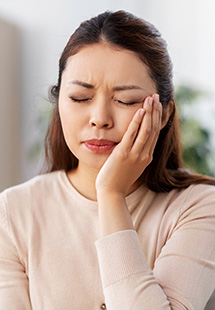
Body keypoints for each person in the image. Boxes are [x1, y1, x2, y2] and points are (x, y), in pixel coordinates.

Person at [0, 10, 215, 310]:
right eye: (79, 98)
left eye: (125, 101)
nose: (100, 119)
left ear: (164, 112)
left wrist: (111, 194)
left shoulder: (199, 206)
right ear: (59, 101)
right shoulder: (14, 213)